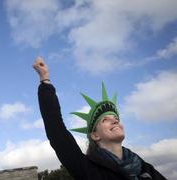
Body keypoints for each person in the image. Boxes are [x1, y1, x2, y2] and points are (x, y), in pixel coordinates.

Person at [33, 56, 166, 180]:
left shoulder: (145, 168)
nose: (115, 120)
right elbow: (56, 130)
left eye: (115, 117)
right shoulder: (86, 168)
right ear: (95, 135)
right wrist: (45, 79)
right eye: (105, 119)